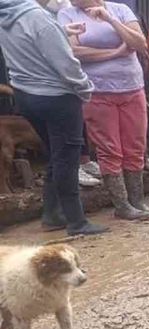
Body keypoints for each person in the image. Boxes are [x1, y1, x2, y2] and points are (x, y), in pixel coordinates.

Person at [0, 0, 107, 235]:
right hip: (56, 96)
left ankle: (52, 214)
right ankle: (77, 221)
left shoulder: (7, 16)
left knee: (55, 154)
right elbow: (65, 62)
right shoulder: (39, 18)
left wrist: (60, 31)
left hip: (26, 95)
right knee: (67, 157)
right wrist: (85, 88)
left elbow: (29, 42)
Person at [58, 0, 149, 220]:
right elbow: (74, 51)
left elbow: (140, 43)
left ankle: (138, 201)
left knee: (135, 145)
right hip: (97, 90)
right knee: (109, 148)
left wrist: (110, 19)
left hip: (132, 86)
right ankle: (122, 205)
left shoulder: (120, 9)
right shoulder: (67, 15)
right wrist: (117, 52)